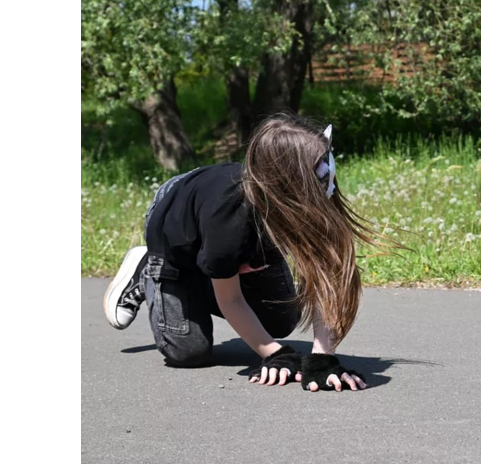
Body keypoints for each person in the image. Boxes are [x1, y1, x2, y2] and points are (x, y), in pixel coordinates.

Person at [103, 113, 377, 392]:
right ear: (290, 180)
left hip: (239, 240)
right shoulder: (229, 224)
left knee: (282, 320)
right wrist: (275, 354)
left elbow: (326, 281)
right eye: (319, 172)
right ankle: (146, 266)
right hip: (177, 233)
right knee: (188, 351)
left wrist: (322, 360)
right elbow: (231, 299)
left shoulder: (308, 197)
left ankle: (213, 269)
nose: (328, 179)